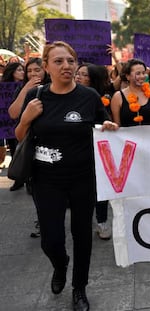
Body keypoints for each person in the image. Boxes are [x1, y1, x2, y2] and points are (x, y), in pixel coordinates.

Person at [14, 41, 119, 311]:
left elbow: (102, 126)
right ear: (46, 66)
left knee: (82, 235)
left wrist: (107, 126)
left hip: (83, 178)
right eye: (58, 61)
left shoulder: (89, 97)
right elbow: (19, 136)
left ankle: (79, 288)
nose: (66, 66)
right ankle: (60, 265)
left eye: (71, 61)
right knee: (51, 240)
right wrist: (26, 118)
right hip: (46, 180)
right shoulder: (36, 96)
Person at [8, 57, 50, 238]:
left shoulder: (52, 88)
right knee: (35, 185)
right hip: (29, 143)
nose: (33, 74)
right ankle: (42, 219)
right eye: (29, 71)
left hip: (51, 144)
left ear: (46, 70)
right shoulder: (22, 88)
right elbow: (13, 113)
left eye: (37, 70)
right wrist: (27, 87)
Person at [74, 63, 114, 241]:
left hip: (96, 150)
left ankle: (102, 220)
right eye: (78, 73)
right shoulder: (66, 94)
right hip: (74, 151)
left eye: (83, 74)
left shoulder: (96, 97)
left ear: (92, 79)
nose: (78, 77)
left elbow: (104, 120)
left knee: (100, 187)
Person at [111, 58, 150, 127]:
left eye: (143, 73)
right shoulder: (118, 97)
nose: (142, 76)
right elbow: (117, 126)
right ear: (128, 76)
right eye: (138, 74)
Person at [1, 61, 25, 191]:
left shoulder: (26, 86)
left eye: (22, 70)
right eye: (19, 70)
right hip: (7, 125)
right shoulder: (3, 87)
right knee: (15, 150)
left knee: (23, 149)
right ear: (12, 72)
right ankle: (18, 179)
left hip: (21, 122)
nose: (22, 72)